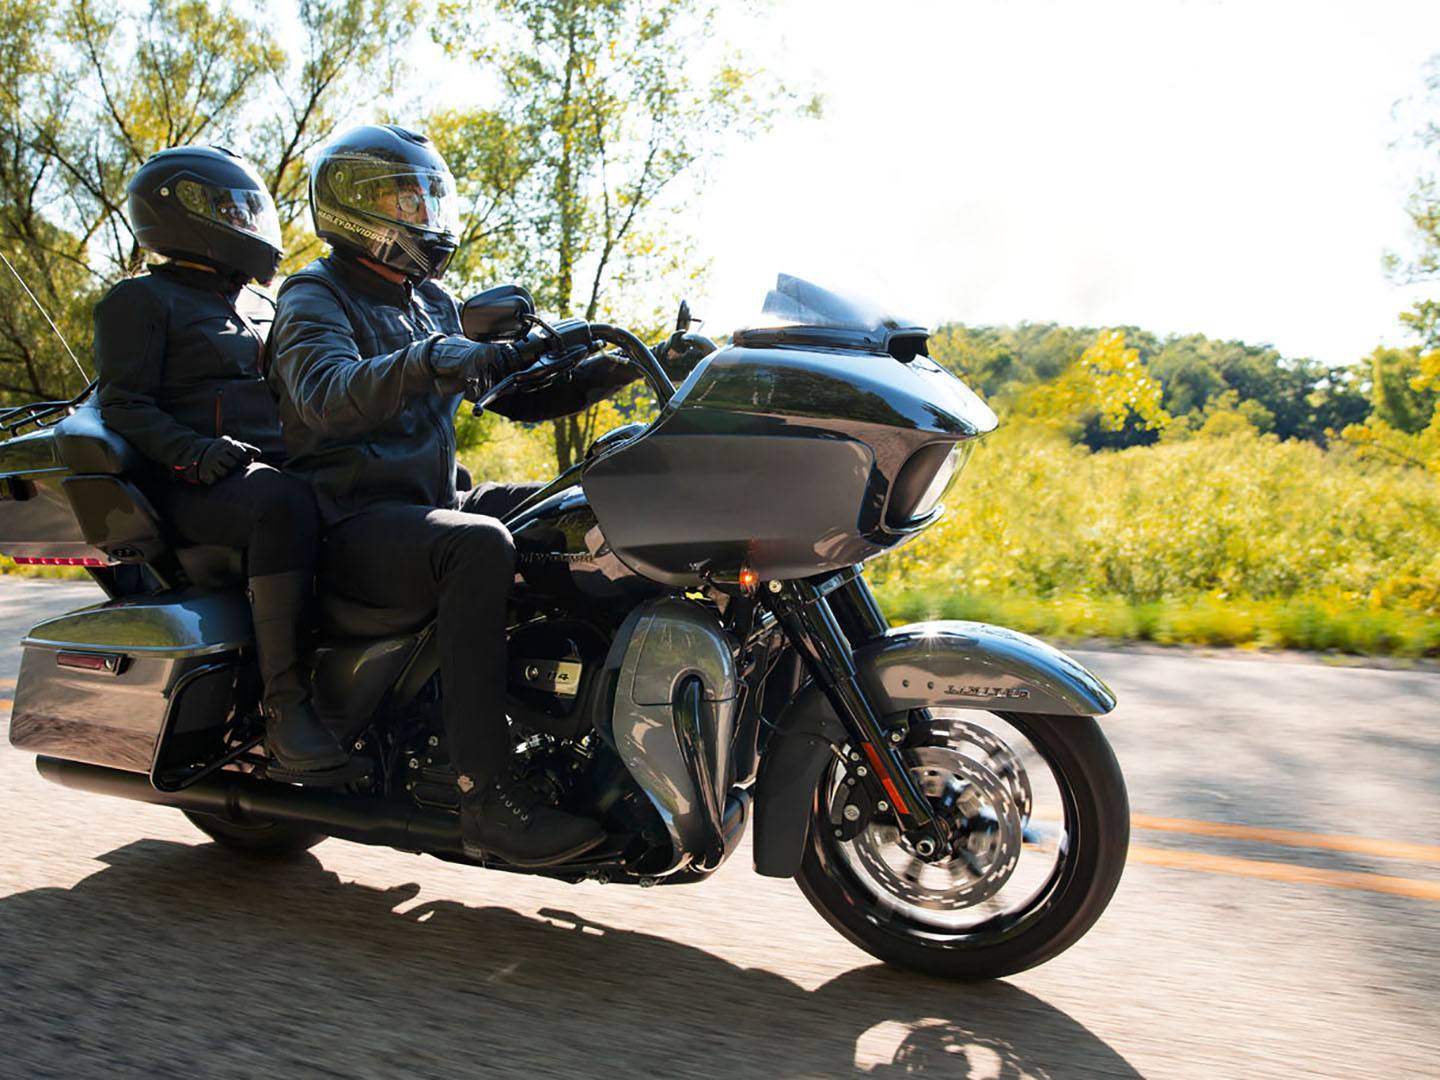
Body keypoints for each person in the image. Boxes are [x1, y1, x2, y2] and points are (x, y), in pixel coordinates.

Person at [268, 124, 637, 866]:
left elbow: (512, 395)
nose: (424, 212)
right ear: (355, 207)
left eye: (429, 196)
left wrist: (621, 368)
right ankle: (487, 796)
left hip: (431, 501)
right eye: (406, 198)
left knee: (591, 514)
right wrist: (431, 358)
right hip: (353, 520)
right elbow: (324, 392)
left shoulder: (428, 297)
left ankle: (598, 741)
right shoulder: (314, 294)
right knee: (478, 547)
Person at [94, 145, 351, 782]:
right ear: (179, 214)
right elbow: (123, 405)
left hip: (266, 469)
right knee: (281, 501)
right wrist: (194, 453)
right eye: (228, 212)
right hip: (192, 485)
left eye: (246, 212)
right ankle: (285, 703)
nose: (245, 224)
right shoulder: (141, 302)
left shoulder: (260, 305)